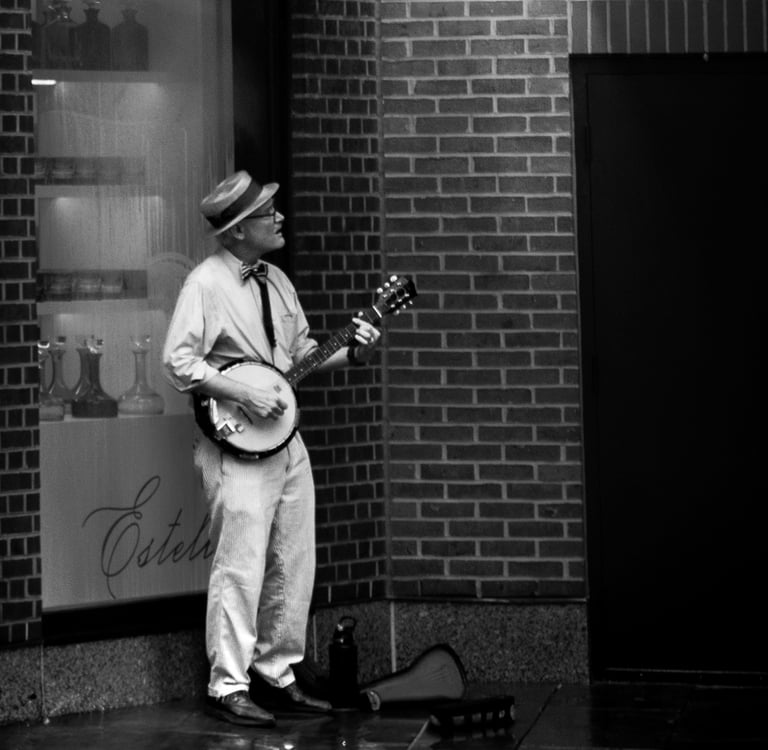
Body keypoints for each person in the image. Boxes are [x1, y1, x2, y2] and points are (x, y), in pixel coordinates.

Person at [162, 171, 382, 727]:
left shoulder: (278, 281)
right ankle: (227, 686)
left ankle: (277, 673)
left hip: (285, 440)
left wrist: (354, 351)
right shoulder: (205, 284)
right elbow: (178, 362)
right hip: (234, 442)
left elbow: (303, 354)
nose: (280, 217)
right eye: (268, 213)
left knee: (294, 558)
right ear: (238, 230)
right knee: (239, 564)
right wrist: (243, 393)